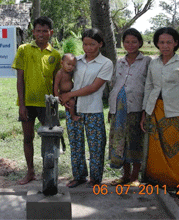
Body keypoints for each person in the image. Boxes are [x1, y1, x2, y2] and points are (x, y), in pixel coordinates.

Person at [140, 27, 179, 202]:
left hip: (175, 112)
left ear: (176, 43)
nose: (165, 46)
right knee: (155, 149)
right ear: (156, 43)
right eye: (161, 42)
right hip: (154, 110)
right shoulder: (153, 63)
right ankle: (156, 182)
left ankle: (178, 186)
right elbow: (148, 87)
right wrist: (144, 113)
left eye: (169, 42)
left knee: (176, 150)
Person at [60, 28, 113, 188]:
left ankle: (95, 179)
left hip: (93, 109)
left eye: (92, 44)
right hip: (73, 109)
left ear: (100, 44)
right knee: (76, 144)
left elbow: (93, 87)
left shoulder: (106, 63)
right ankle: (79, 176)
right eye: (85, 44)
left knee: (96, 146)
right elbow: (64, 77)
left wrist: (70, 95)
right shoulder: (76, 61)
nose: (88, 48)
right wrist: (63, 95)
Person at [11, 16, 61, 185]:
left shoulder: (55, 54)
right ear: (33, 32)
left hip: (47, 105)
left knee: (49, 140)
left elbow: (57, 82)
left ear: (50, 33)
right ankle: (30, 172)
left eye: (45, 31)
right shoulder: (24, 49)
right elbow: (19, 80)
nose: (41, 34)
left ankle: (49, 172)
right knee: (27, 138)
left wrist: (56, 103)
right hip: (28, 103)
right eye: (38, 31)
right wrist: (22, 105)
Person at [108, 28, 151, 187]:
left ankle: (134, 177)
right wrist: (112, 109)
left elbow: (149, 86)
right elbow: (114, 84)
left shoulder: (147, 61)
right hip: (118, 108)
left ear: (140, 42)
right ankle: (125, 175)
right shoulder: (119, 62)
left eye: (134, 41)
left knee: (135, 140)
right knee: (120, 142)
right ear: (123, 43)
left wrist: (145, 111)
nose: (130, 45)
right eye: (127, 42)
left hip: (136, 107)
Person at [54, 53, 79, 121]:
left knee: (75, 102)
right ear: (62, 63)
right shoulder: (60, 73)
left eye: (73, 65)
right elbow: (56, 85)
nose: (70, 67)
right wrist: (57, 96)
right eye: (68, 64)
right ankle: (73, 116)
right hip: (63, 93)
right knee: (72, 102)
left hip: (71, 92)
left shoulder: (70, 72)